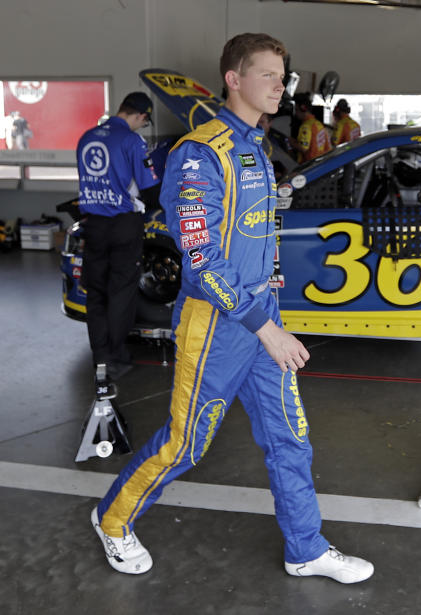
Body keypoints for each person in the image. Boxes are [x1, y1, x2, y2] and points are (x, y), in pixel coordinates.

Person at [90, 32, 374, 584]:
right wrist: (266, 327)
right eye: (268, 74)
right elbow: (201, 262)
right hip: (217, 327)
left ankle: (306, 547)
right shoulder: (200, 153)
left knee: (291, 439)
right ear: (234, 79)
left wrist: (268, 289)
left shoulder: (256, 148)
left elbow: (251, 238)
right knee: (184, 444)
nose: (279, 85)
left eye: (282, 76)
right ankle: (112, 519)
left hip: (261, 319)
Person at [75, 91, 160, 378]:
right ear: (141, 116)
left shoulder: (87, 137)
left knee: (96, 293)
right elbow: (149, 189)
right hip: (124, 224)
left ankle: (99, 357)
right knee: (121, 292)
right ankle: (116, 357)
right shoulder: (131, 141)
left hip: (94, 225)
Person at [293, 94, 331, 163]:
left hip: (308, 166)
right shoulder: (319, 124)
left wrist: (291, 143)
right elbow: (328, 147)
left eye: (296, 110)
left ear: (303, 109)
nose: (296, 113)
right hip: (320, 163)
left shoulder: (306, 126)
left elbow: (303, 148)